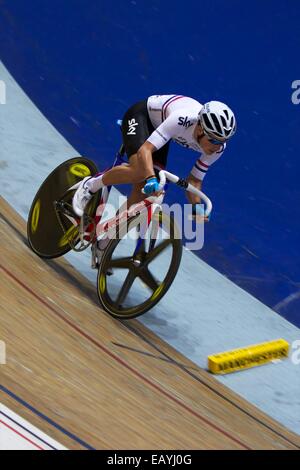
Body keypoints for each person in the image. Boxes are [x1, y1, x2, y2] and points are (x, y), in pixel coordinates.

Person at [72, 95, 236, 220]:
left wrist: (196, 206)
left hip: (162, 133)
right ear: (200, 129)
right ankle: (90, 185)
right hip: (143, 116)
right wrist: (150, 177)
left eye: (222, 141)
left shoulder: (218, 149)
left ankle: (106, 241)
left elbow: (194, 181)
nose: (217, 146)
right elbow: (145, 150)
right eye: (213, 139)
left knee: (145, 195)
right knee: (140, 172)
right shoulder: (182, 119)